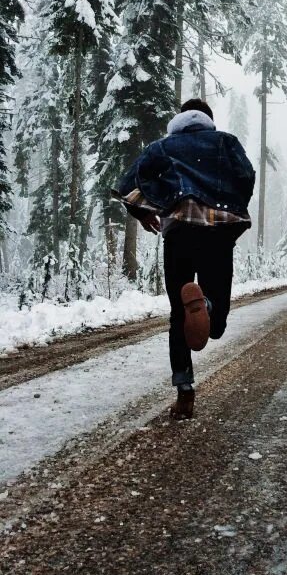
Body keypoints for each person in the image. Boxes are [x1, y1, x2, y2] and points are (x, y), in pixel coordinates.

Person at [113, 98, 255, 420]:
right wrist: (231, 205)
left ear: (180, 120)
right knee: (216, 325)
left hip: (178, 234)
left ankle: (184, 390)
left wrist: (141, 211)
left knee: (179, 313)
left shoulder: (163, 147)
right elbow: (246, 176)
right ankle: (206, 308)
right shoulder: (225, 142)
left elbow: (128, 182)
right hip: (217, 235)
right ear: (208, 120)